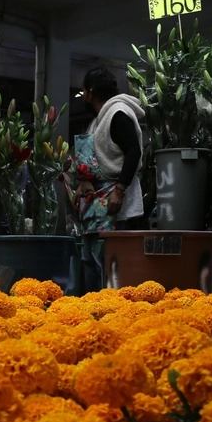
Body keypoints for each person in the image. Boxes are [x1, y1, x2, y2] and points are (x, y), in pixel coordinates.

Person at [73, 66, 145, 291]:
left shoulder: (118, 113)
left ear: (91, 92)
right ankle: (92, 307)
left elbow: (134, 151)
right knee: (89, 258)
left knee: (105, 260)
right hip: (94, 204)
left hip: (112, 201)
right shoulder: (99, 118)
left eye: (84, 91)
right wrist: (83, 183)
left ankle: (109, 310)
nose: (82, 96)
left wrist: (119, 190)